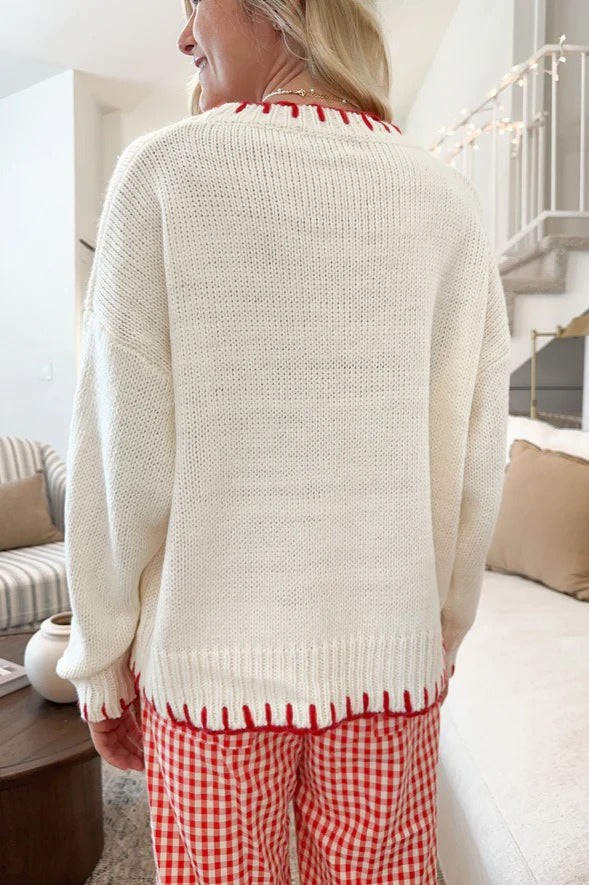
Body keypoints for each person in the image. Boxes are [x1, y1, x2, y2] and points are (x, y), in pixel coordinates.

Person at [55, 0, 511, 882]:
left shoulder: (162, 174)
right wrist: (443, 629)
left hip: (205, 679)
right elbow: (467, 461)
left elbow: (117, 459)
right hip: (389, 671)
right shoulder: (443, 200)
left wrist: (100, 660)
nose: (182, 35)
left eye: (194, 3)